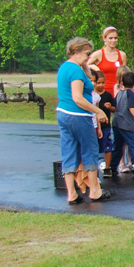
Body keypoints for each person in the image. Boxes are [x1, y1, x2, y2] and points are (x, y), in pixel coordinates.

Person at [56, 37, 111, 204]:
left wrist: (85, 63)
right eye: (86, 54)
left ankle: (72, 194)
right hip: (79, 116)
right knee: (90, 150)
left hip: (64, 115)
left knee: (69, 151)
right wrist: (98, 110)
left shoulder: (65, 67)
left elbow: (88, 76)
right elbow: (78, 98)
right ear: (75, 52)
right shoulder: (75, 71)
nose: (88, 57)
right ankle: (95, 190)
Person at [109, 69, 134, 180]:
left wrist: (110, 108)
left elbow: (115, 107)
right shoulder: (131, 94)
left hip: (116, 122)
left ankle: (113, 167)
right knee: (133, 144)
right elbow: (131, 107)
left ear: (122, 83)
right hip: (126, 123)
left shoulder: (119, 94)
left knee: (118, 146)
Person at [86, 26, 127, 96]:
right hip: (102, 92)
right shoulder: (98, 54)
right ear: (104, 39)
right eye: (110, 38)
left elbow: (125, 74)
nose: (113, 40)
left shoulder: (122, 55)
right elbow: (84, 65)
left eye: (115, 38)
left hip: (118, 92)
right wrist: (93, 67)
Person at [93, 70, 116, 176]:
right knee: (94, 148)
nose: (101, 85)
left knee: (107, 146)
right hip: (95, 126)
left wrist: (110, 107)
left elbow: (114, 108)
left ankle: (107, 168)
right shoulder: (92, 96)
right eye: (98, 83)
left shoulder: (107, 95)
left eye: (103, 83)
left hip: (106, 126)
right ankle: (94, 168)